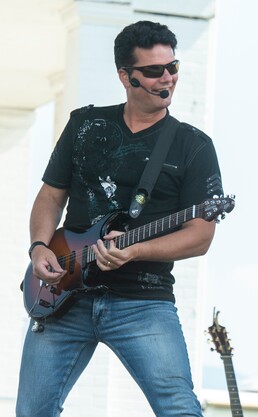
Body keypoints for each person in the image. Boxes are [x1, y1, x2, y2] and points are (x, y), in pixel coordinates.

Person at [17, 20, 223, 417]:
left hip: (143, 301)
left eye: (173, 67)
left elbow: (200, 236)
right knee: (31, 412)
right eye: (153, 71)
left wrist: (136, 251)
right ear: (125, 76)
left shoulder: (193, 146)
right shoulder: (84, 125)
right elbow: (50, 195)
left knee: (180, 409)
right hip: (65, 296)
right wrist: (39, 246)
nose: (168, 78)